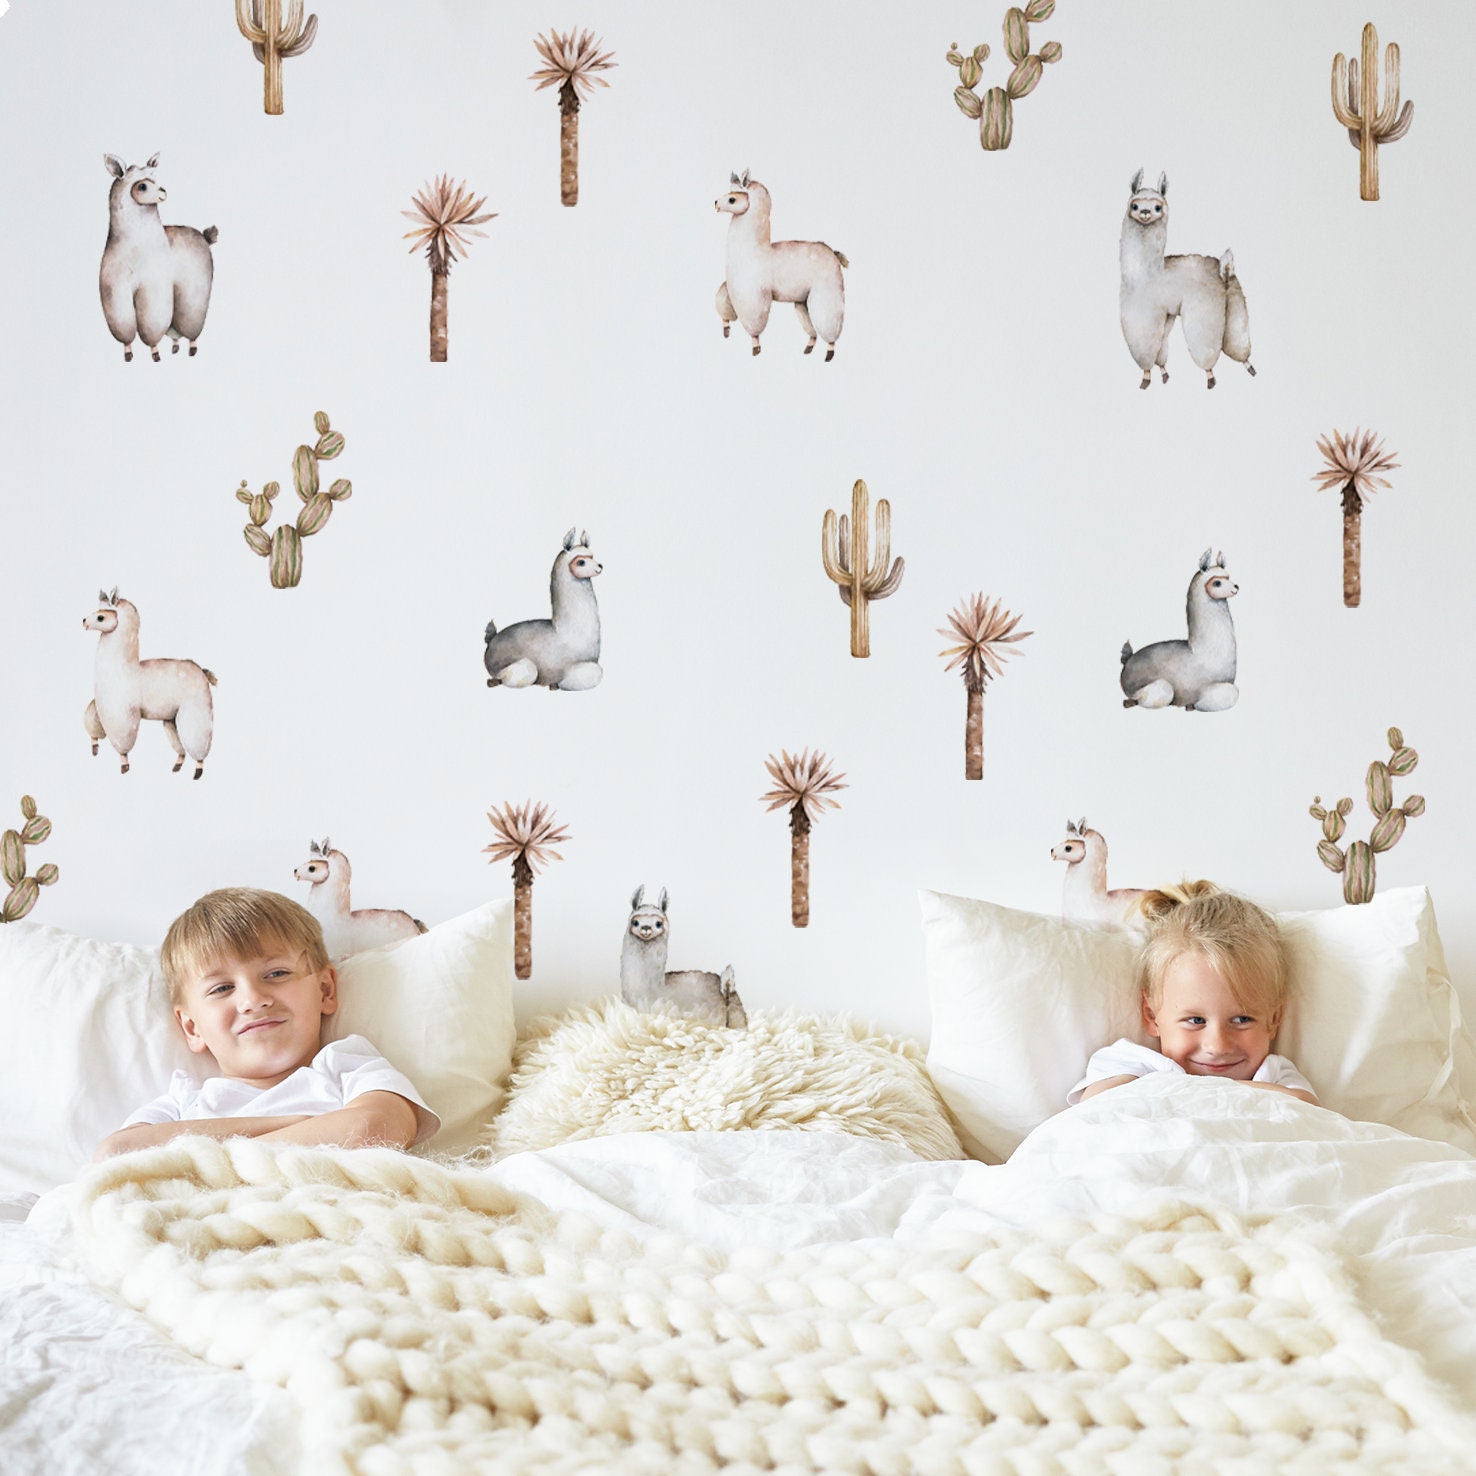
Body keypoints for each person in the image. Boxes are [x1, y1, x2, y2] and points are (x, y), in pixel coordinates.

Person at [94, 888, 439, 1161]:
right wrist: (299, 1124)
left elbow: (377, 1126)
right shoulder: (184, 1104)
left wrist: (214, 1159)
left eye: (276, 974)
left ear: (325, 990)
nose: (253, 999)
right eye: (222, 988)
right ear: (192, 1028)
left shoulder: (343, 1067)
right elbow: (114, 1153)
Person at [1068, 881, 1320, 1107]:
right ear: (1152, 1016)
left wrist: (1208, 1090)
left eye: (1242, 1019)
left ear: (1274, 1019)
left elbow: (1309, 1111)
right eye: (1196, 1020)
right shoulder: (1132, 1063)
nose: (1217, 1046)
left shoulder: (1275, 1074)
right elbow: (1098, 1107)